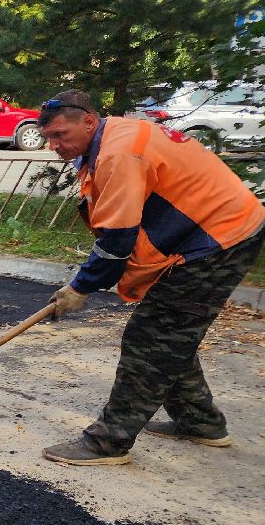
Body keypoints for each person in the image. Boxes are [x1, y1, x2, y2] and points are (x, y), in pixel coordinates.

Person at [38, 88, 264, 465]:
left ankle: (108, 443)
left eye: (60, 135)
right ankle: (200, 422)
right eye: (48, 137)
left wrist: (80, 287)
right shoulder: (110, 140)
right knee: (170, 333)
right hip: (211, 233)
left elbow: (118, 238)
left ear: (89, 121)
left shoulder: (120, 152)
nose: (53, 146)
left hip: (220, 239)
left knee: (151, 337)